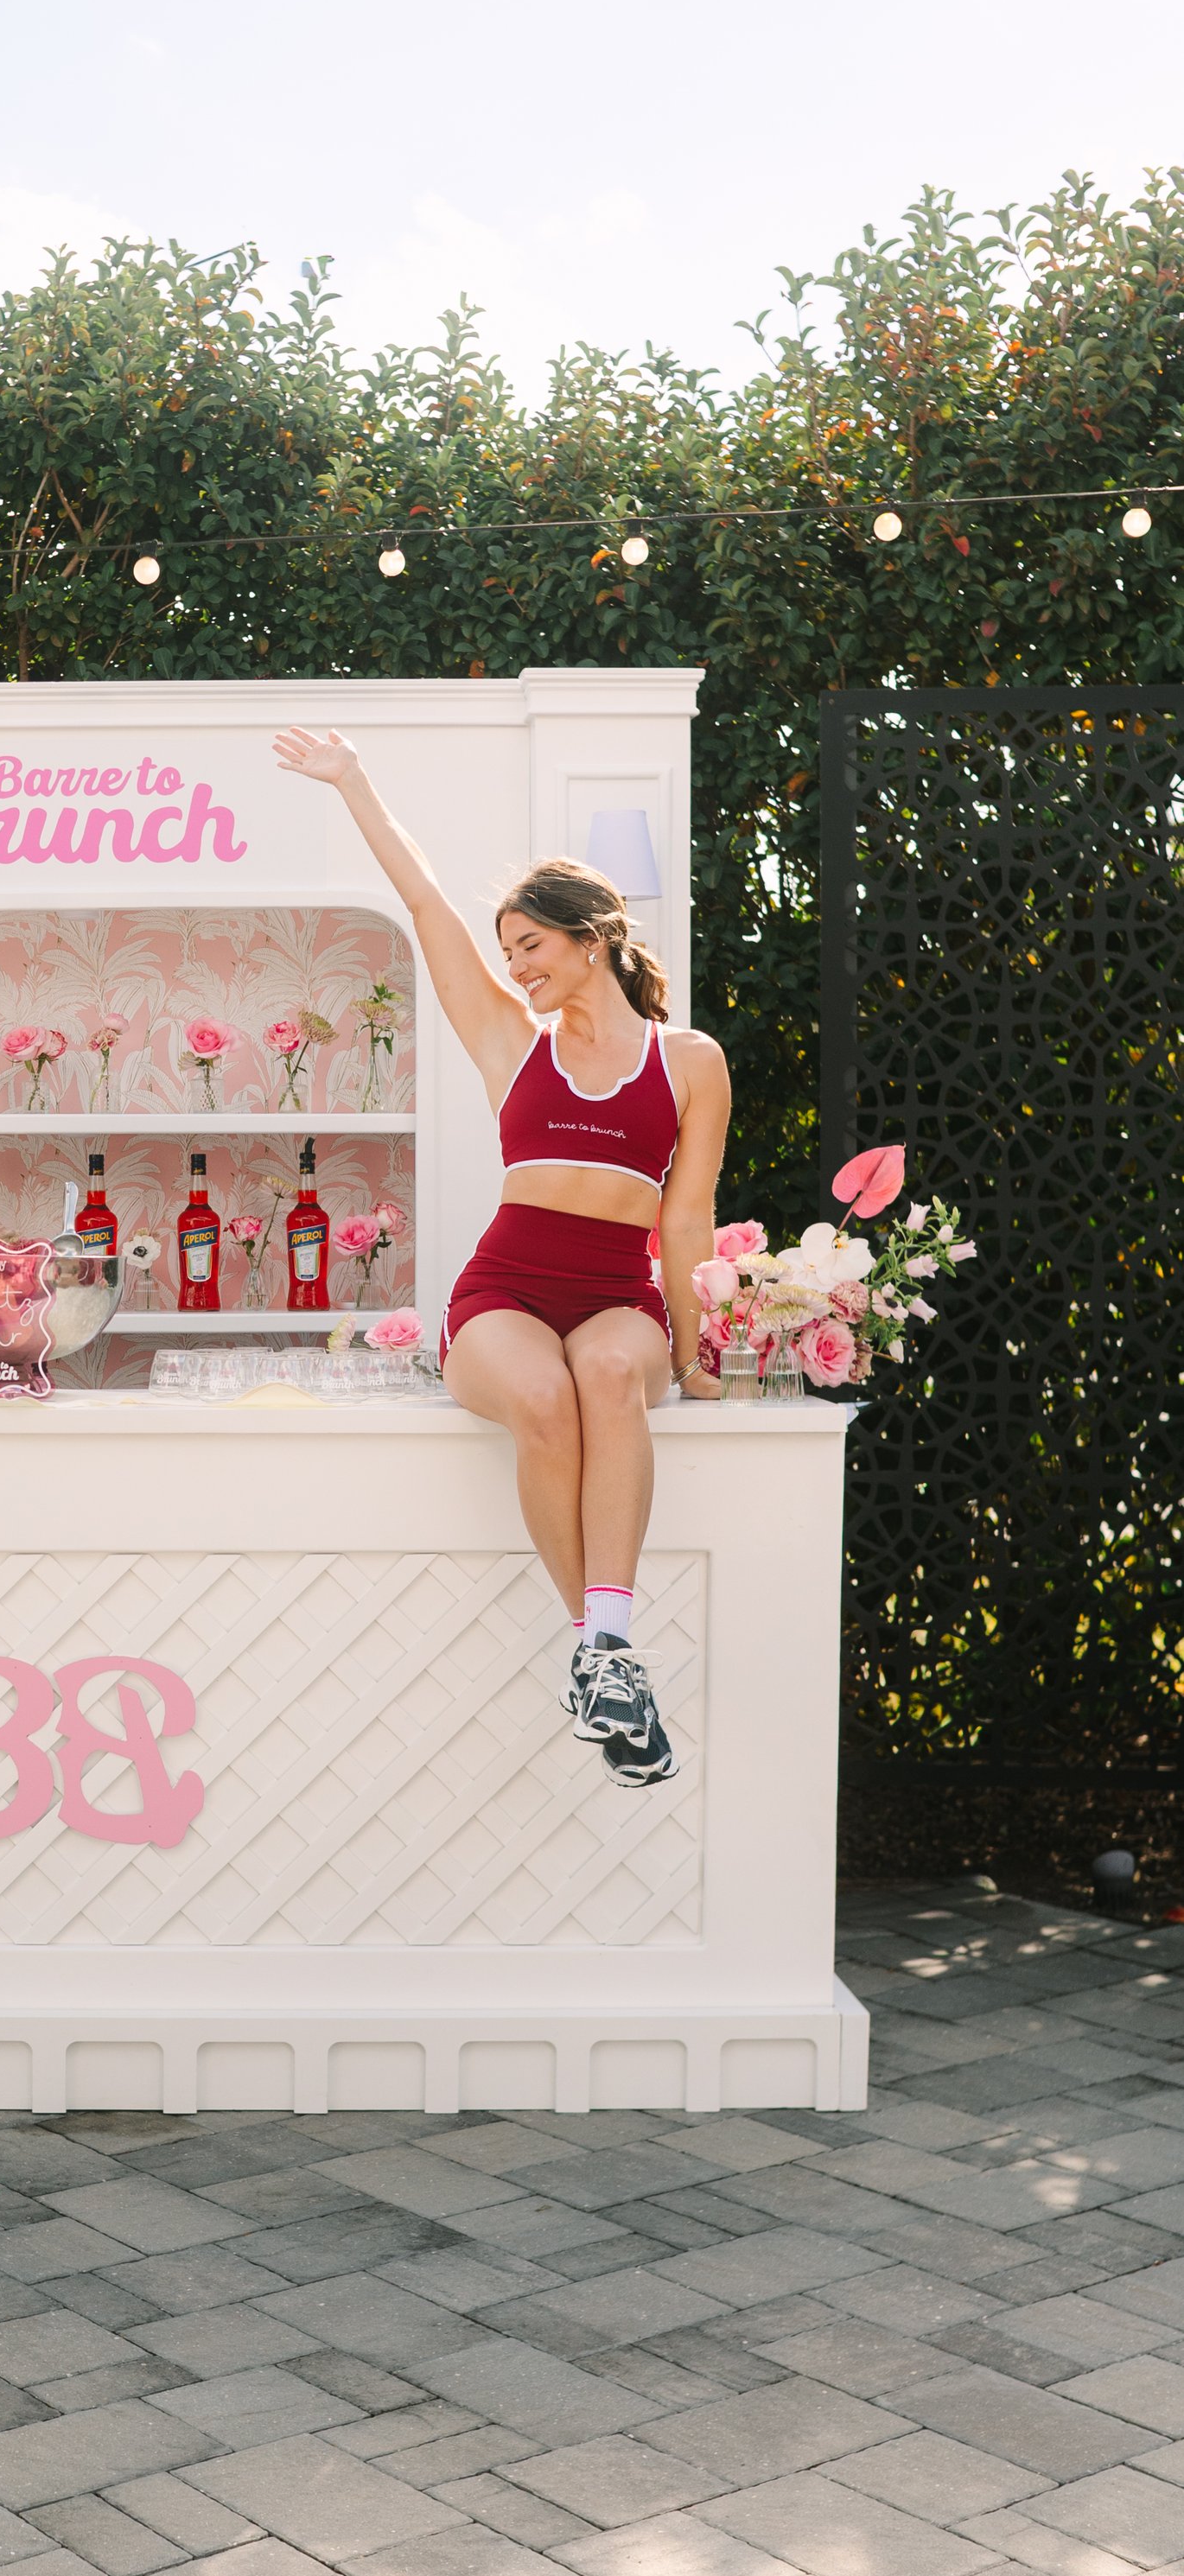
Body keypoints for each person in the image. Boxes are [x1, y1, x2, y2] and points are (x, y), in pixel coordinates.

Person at [275, 724, 728, 1786]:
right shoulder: (508, 1041)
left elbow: (688, 1219)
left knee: (612, 1374)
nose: (514, 965)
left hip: (616, 1288)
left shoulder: (691, 1060)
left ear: (593, 937)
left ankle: (596, 1653)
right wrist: (354, 782)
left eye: (530, 945)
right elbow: (425, 902)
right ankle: (606, 1651)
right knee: (543, 1403)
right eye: (509, 948)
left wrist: (698, 1352)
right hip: (506, 1288)